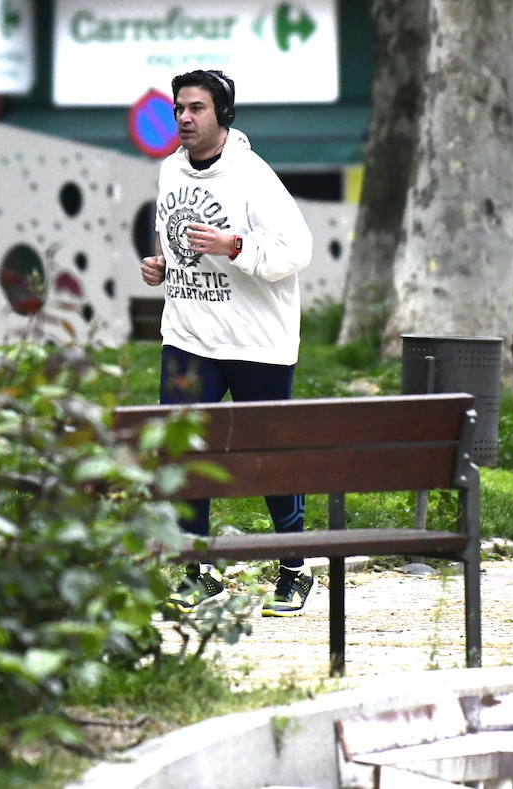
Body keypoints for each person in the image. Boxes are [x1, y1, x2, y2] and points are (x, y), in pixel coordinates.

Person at [140, 69, 315, 617]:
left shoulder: (254, 178)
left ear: (222, 115)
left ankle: (294, 566)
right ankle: (200, 570)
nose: (184, 119)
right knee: (184, 450)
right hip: (188, 335)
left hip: (256, 343)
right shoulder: (169, 170)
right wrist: (161, 265)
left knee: (267, 455)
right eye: (179, 109)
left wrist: (235, 245)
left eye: (196, 109)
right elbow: (174, 233)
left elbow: (296, 250)